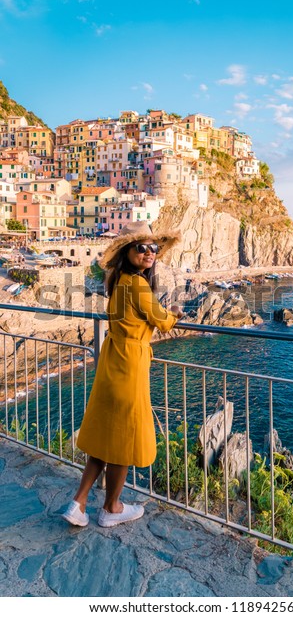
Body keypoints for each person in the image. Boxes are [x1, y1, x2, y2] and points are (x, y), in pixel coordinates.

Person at [62, 221, 183, 528]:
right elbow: (162, 320)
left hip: (111, 359)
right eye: (141, 248)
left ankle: (78, 504)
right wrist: (175, 315)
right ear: (128, 252)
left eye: (153, 248)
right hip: (129, 362)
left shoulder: (117, 282)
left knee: (104, 436)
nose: (149, 253)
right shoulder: (137, 285)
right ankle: (112, 508)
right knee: (124, 437)